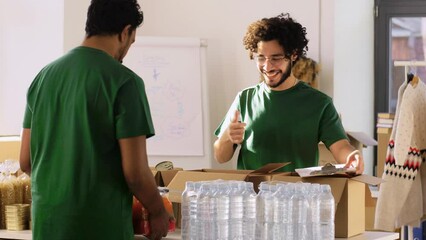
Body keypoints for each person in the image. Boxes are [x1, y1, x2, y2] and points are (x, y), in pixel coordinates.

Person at [19, 0, 169, 239]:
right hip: (99, 226)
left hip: (47, 225)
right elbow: (135, 173)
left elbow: (26, 161)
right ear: (125, 32)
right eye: (131, 42)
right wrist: (158, 211)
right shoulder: (124, 82)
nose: (127, 51)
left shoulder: (43, 78)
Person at [213, 13, 364, 174]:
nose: (267, 66)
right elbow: (220, 157)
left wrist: (352, 157)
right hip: (251, 197)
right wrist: (227, 137)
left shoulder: (319, 103)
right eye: (261, 58)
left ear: (293, 55)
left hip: (297, 196)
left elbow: (340, 147)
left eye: (276, 58)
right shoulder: (245, 99)